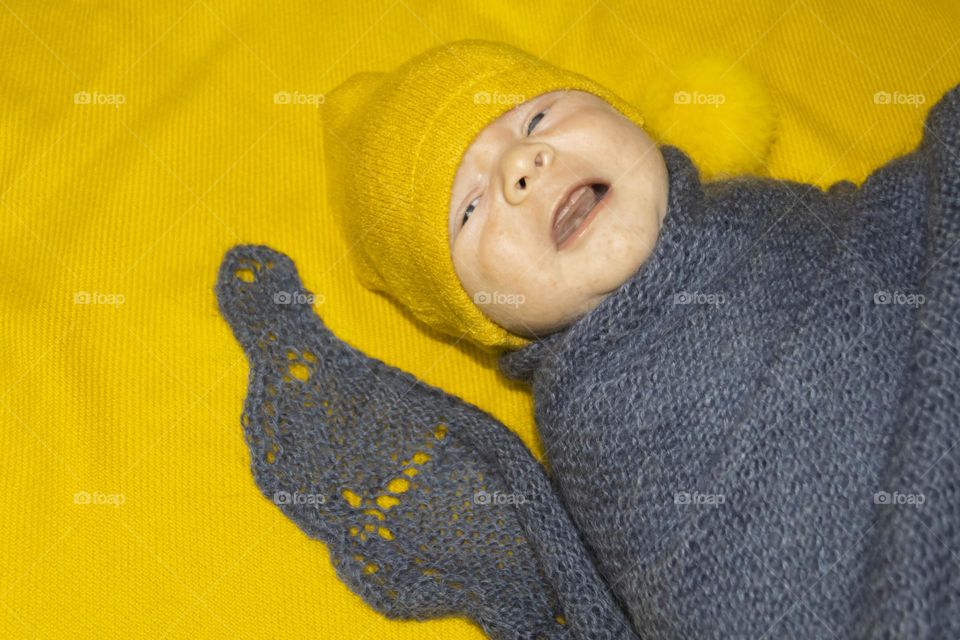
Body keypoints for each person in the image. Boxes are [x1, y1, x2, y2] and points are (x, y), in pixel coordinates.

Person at [215, 38, 960, 639]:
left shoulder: (755, 210)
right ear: (486, 319)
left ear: (631, 120)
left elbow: (884, 234)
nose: (521, 167)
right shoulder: (590, 419)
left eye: (535, 120)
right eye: (471, 208)